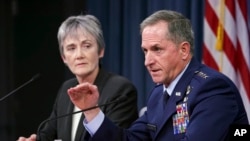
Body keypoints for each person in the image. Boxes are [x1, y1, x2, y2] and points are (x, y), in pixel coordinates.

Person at [67, 10, 249, 141]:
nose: (147, 61)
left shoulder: (212, 88)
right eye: (145, 51)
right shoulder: (158, 94)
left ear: (184, 50)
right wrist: (92, 111)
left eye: (157, 49)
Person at [17, 14, 138, 141]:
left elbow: (115, 139)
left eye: (86, 46)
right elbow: (48, 133)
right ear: (63, 57)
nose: (79, 55)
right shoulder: (67, 89)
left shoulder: (121, 90)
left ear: (101, 51)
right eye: (71, 48)